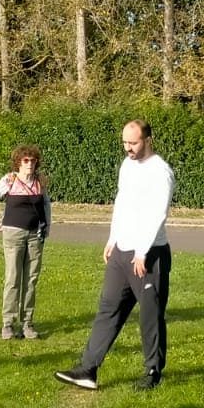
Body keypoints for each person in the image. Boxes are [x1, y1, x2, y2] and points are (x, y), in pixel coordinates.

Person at [55, 119, 174, 391]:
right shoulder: (126, 166)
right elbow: (121, 202)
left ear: (147, 140)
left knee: (150, 315)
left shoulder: (160, 171)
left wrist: (142, 252)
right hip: (122, 251)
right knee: (108, 308)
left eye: (133, 143)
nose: (128, 148)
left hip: (149, 255)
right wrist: (113, 238)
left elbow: (158, 213)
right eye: (125, 143)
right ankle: (88, 369)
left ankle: (152, 371)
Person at [0, 145, 51, 340]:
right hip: (13, 234)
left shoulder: (40, 182)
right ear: (18, 162)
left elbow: (46, 205)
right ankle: (8, 324)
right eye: (25, 160)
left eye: (33, 160)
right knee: (13, 279)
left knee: (31, 280)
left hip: (35, 236)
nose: (29, 164)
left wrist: (48, 227)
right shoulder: (10, 180)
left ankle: (27, 324)